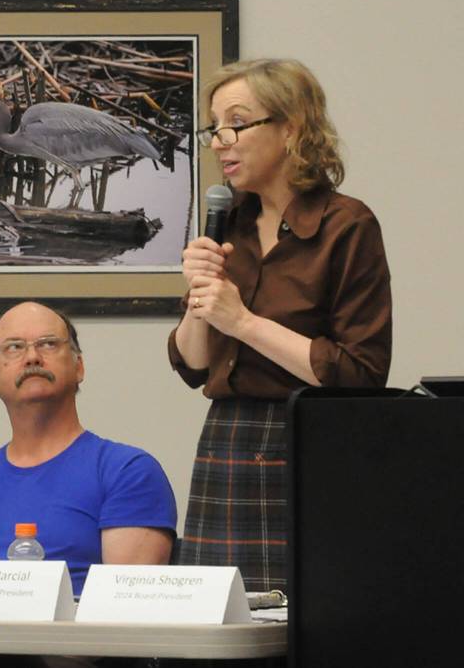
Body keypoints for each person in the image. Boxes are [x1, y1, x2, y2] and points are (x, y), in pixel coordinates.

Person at [168, 58, 392, 593]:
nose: (220, 141)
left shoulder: (347, 225)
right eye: (214, 127)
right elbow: (194, 365)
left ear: (290, 128)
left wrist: (242, 321)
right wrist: (200, 298)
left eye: (236, 124)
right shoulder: (228, 221)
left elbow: (361, 374)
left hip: (308, 445)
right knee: (216, 630)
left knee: (302, 631)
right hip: (225, 440)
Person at [0, 301, 177, 668]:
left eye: (47, 344)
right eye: (13, 347)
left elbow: (127, 624)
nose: (31, 357)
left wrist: (3, 652)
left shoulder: (128, 471)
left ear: (79, 367)